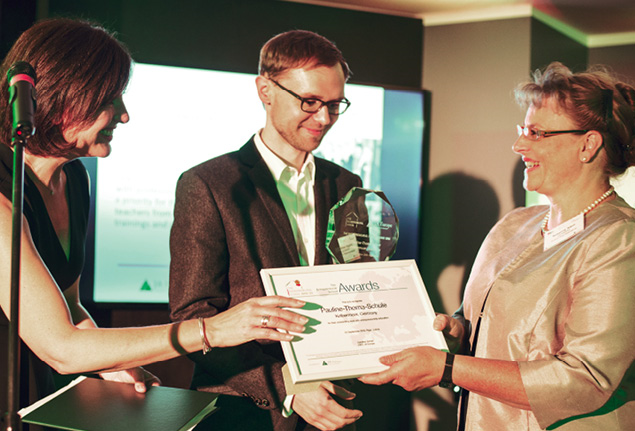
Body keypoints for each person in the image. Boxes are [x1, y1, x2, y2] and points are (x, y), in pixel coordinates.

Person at [0, 17, 309, 419]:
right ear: (64, 99)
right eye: (110, 99)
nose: (124, 115)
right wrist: (215, 330)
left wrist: (113, 363)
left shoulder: (73, 179)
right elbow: (61, 347)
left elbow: (70, 306)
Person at [359, 62, 635, 430]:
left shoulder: (620, 239)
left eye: (536, 133)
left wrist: (447, 368)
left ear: (588, 145)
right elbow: (480, 323)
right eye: (523, 130)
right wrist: (455, 334)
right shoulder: (515, 225)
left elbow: (585, 379)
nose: (519, 145)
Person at [168, 30, 363, 431]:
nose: (324, 118)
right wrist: (287, 385)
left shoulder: (346, 184)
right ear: (265, 90)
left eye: (334, 105)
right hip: (243, 415)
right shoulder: (208, 184)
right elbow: (193, 317)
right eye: (310, 102)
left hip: (331, 410)